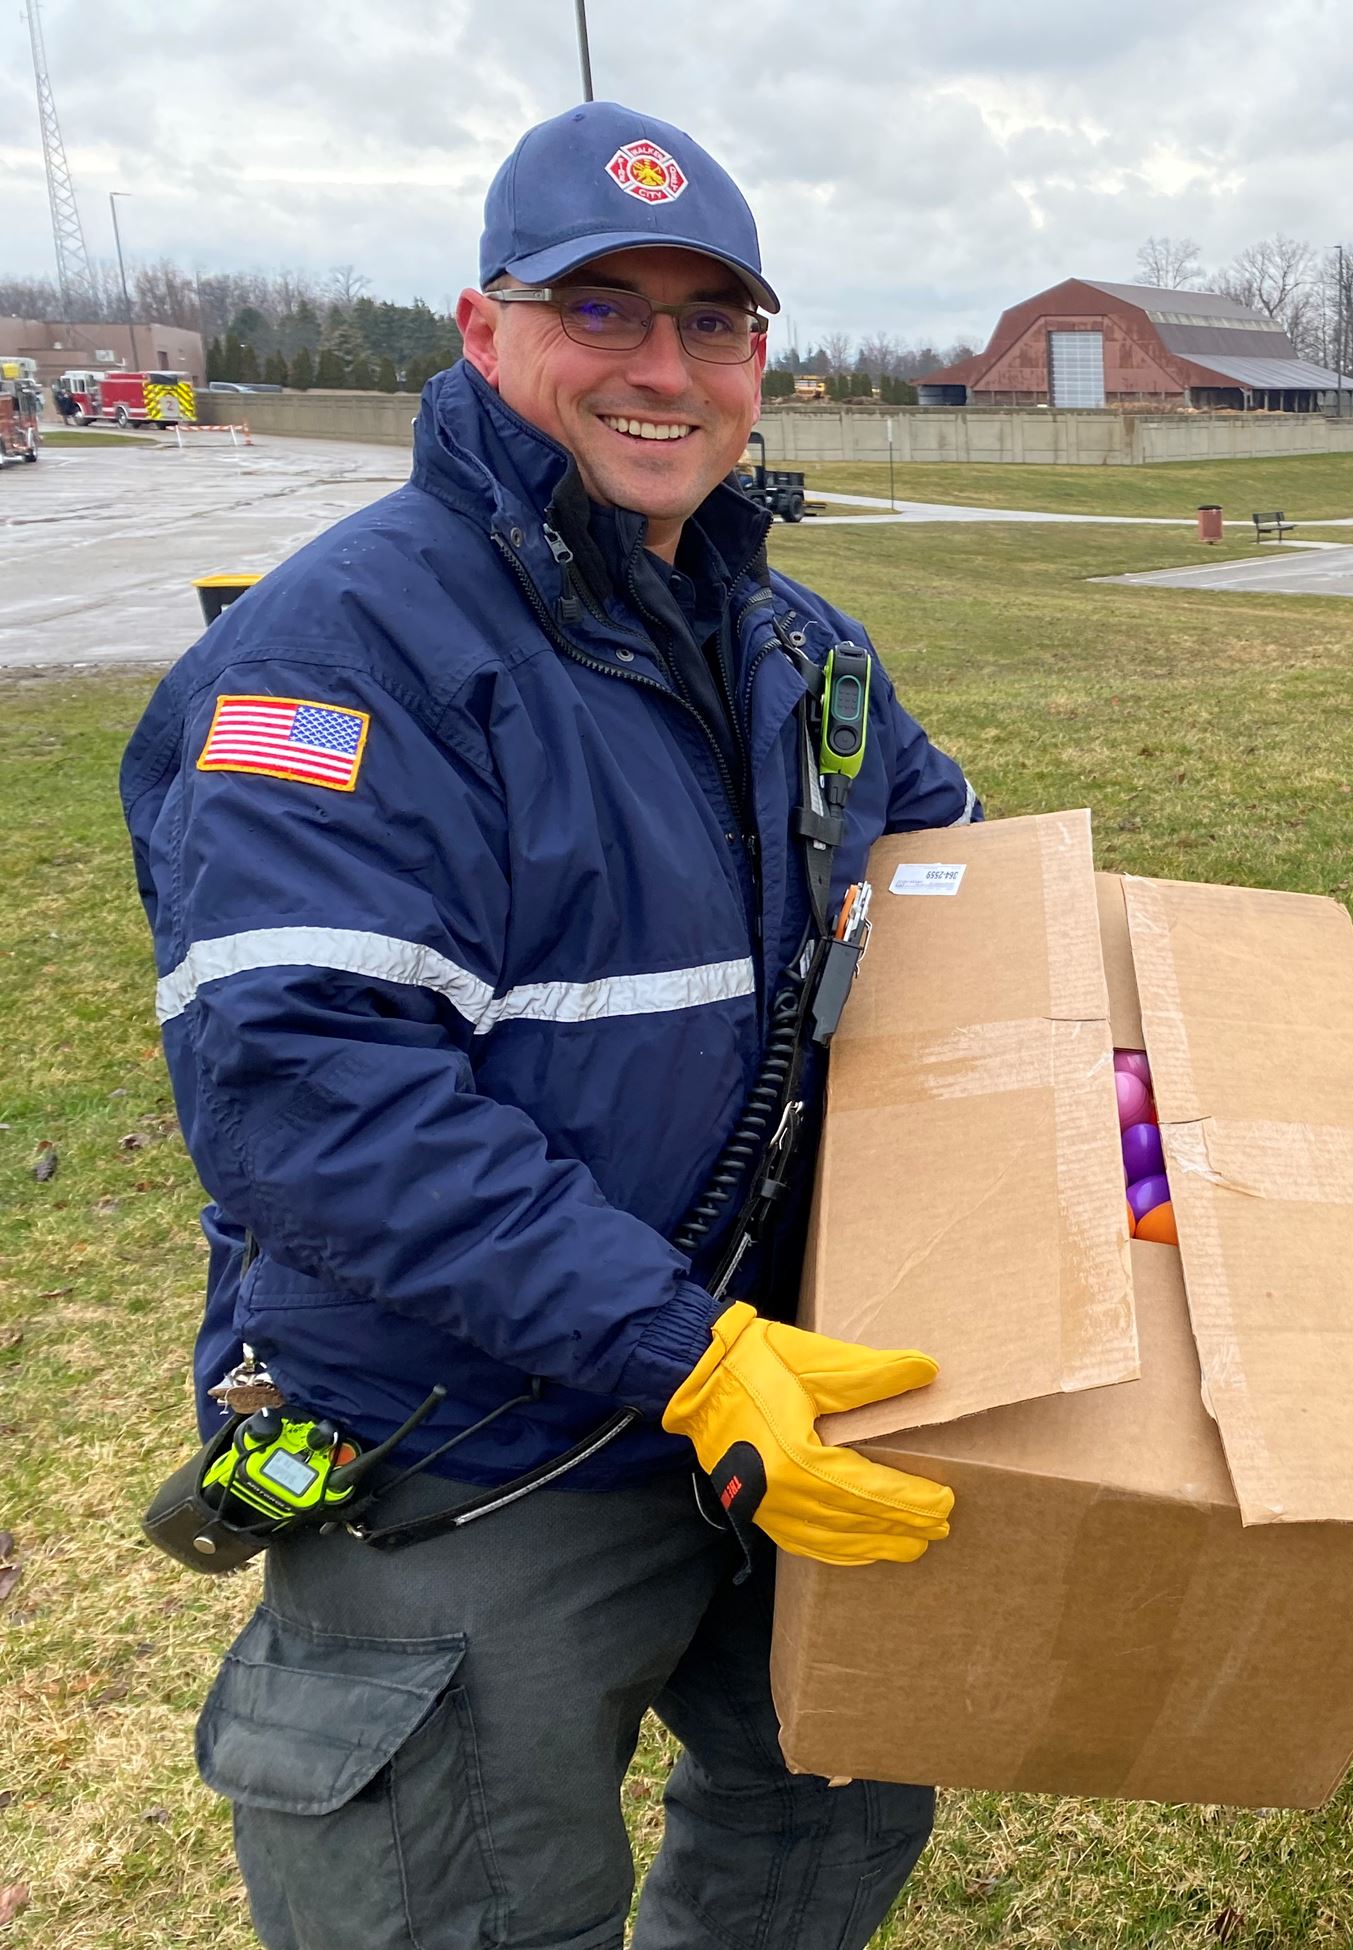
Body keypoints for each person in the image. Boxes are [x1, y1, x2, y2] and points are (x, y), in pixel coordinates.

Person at [123, 104, 973, 1947]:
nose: (663, 370)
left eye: (712, 323)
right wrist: (678, 1355)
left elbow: (978, 914)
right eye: (601, 310)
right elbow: (314, 1103)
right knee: (465, 1907)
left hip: (764, 1389)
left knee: (829, 1798)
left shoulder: (800, 657)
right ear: (481, 327)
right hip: (468, 1442)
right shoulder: (335, 655)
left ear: (763, 360)